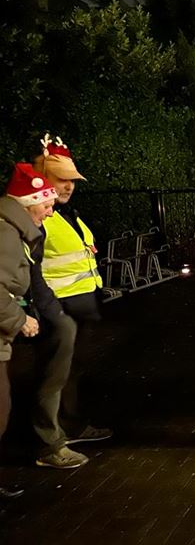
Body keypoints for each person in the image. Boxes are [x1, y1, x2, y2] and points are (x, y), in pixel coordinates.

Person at [32, 135, 112, 460]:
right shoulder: (39, 218)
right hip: (57, 310)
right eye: (61, 180)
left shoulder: (67, 214)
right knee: (52, 377)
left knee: (70, 373)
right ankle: (49, 442)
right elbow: (31, 271)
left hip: (77, 307)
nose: (68, 187)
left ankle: (71, 426)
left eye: (72, 181)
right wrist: (50, 311)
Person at [0, 163, 58, 494]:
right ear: (27, 204)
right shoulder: (7, 235)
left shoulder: (13, 231)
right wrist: (21, 320)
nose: (50, 213)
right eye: (46, 205)